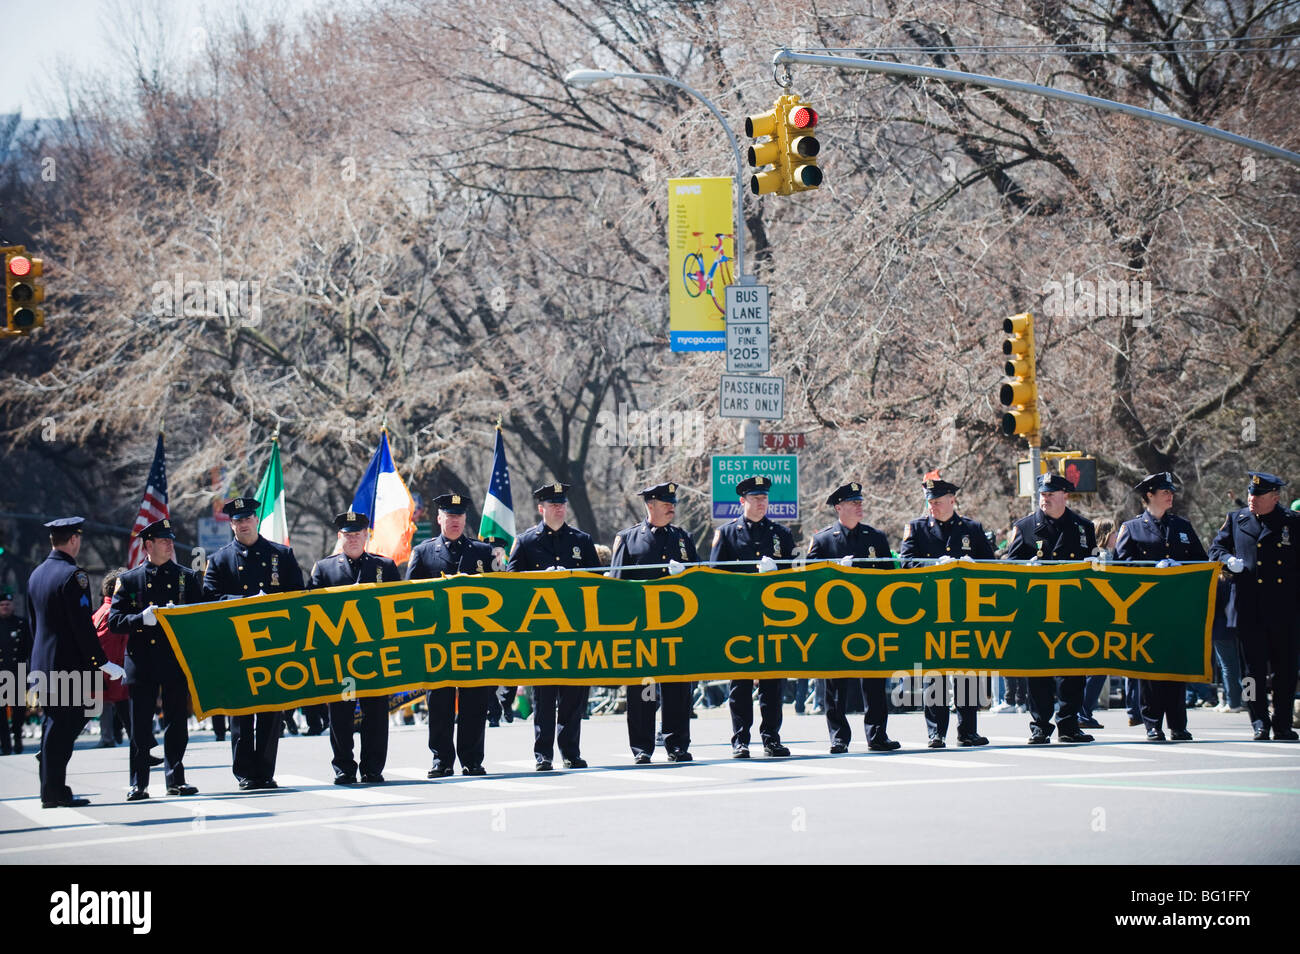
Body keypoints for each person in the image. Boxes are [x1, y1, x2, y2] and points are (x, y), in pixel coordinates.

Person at [202, 496, 305, 789]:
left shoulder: (281, 555)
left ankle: (266, 771)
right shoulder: (220, 559)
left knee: (271, 713)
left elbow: (298, 594)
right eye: (237, 520)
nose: (243, 524)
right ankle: (245, 773)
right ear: (231, 524)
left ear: (256, 520)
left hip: (274, 645)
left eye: (248, 518)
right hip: (237, 647)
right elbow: (208, 599)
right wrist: (245, 602)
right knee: (242, 714)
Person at [27, 517, 125, 807]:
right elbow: (82, 626)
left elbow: (35, 625)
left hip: (43, 663)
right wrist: (101, 661)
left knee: (55, 725)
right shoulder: (73, 576)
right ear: (73, 540)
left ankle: (53, 788)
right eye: (78, 538)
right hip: (67, 667)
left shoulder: (36, 574)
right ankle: (53, 791)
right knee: (63, 727)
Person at [508, 483, 601, 770]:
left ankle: (571, 752)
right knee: (544, 697)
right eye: (553, 504)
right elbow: (510, 585)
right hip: (541, 630)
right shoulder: (526, 542)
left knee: (573, 695)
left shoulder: (581, 540)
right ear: (541, 509)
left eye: (562, 504)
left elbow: (597, 580)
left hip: (574, 629)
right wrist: (538, 578)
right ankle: (543, 754)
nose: (559, 508)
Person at [109, 518, 203, 799]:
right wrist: (141, 619)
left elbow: (201, 614)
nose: (170, 544)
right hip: (143, 660)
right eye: (163, 540)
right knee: (140, 725)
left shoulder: (186, 576)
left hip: (175, 659)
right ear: (148, 545)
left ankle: (176, 778)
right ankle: (139, 782)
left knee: (176, 723)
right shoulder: (128, 580)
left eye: (170, 539)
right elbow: (115, 621)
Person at [806, 481, 902, 753]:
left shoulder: (876, 538)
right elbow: (810, 580)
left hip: (870, 619)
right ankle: (838, 736)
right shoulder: (823, 540)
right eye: (853, 503)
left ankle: (877, 734)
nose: (860, 507)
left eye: (860, 502)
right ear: (839, 507)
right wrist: (834, 569)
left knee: (874, 679)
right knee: (835, 682)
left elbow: (890, 578)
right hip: (835, 621)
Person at [899, 475, 993, 747]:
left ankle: (968, 731)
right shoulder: (917, 528)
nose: (933, 507)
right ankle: (935, 732)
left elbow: (990, 566)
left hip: (965, 609)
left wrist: (971, 564)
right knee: (935, 673)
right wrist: (932, 567)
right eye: (930, 502)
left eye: (938, 502)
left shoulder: (971, 529)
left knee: (967, 672)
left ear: (952, 500)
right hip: (931, 610)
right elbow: (905, 565)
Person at [406, 494, 497, 777]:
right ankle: (441, 759)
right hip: (438, 642)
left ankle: (472, 759)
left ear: (465, 519)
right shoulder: (423, 552)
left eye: (459, 516)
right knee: (440, 704)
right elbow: (410, 597)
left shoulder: (482, 552)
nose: (455, 520)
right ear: (439, 518)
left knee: (474, 703)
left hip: (474, 641)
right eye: (449, 515)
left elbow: (499, 593)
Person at [1113, 473, 1207, 742]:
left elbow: (1201, 562)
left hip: (1177, 608)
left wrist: (1182, 568)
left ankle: (1178, 723)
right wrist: (1151, 570)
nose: (1170, 495)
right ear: (1149, 495)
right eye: (1164, 491)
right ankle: (1152, 723)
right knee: (1150, 670)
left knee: (1175, 666)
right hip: (1147, 608)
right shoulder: (1132, 528)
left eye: (1171, 491)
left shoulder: (1182, 526)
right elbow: (1122, 568)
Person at [609, 481, 699, 764]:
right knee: (643, 691)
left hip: (675, 627)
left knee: (677, 690)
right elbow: (616, 587)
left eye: (673, 502)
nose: (671, 507)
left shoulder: (683, 538)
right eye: (665, 502)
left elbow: (699, 581)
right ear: (650, 505)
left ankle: (677, 745)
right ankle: (642, 747)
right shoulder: (629, 538)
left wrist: (686, 574)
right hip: (643, 630)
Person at [1004, 472, 1097, 744]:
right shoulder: (1025, 526)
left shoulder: (1083, 527)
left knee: (1073, 670)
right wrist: (1025, 567)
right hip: (1037, 610)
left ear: (1065, 496)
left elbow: (1093, 566)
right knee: (1039, 671)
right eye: (1042, 494)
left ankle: (1069, 725)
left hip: (1072, 608)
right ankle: (1040, 726)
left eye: (1050, 494)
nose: (1044, 498)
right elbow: (1010, 568)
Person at [1208, 471, 1300, 742]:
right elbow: (1215, 549)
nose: (1252, 499)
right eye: (1250, 493)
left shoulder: (1291, 522)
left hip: (1284, 609)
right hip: (1250, 609)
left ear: (1275, 497)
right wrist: (1227, 560)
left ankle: (1282, 723)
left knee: (1285, 671)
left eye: (1258, 495)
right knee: (1252, 673)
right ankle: (1259, 721)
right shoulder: (1237, 520)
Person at [309, 510, 398, 784]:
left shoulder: (385, 567)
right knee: (342, 715)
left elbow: (399, 607)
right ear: (340, 537)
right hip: (341, 659)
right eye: (347, 535)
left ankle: (373, 768)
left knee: (375, 714)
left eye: (358, 534)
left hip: (375, 656)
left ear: (367, 536)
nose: (353, 539)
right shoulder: (323, 569)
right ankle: (344, 768)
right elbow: (309, 612)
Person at [710, 475, 795, 758]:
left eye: (765, 498)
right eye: (756, 499)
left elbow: (793, 578)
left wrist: (778, 572)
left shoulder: (780, 534)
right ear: (742, 501)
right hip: (740, 617)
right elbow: (716, 579)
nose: (762, 503)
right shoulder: (727, 533)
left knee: (772, 681)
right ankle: (740, 739)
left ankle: (771, 737)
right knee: (741, 683)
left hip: (772, 617)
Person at [1078, 517, 1118, 730]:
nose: (1117, 536)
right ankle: (1083, 710)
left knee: (1098, 667)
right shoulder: (1100, 556)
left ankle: (1084, 710)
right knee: (1098, 667)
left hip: (1103, 615)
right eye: (1113, 532)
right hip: (1098, 616)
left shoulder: (1111, 555)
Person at [0, 585, 34, 755]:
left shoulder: (21, 624)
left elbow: (29, 649)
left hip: (18, 674)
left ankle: (18, 740)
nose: (5, 607)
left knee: (19, 711)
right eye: (2, 605)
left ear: (12, 606)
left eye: (7, 604)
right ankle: (5, 745)